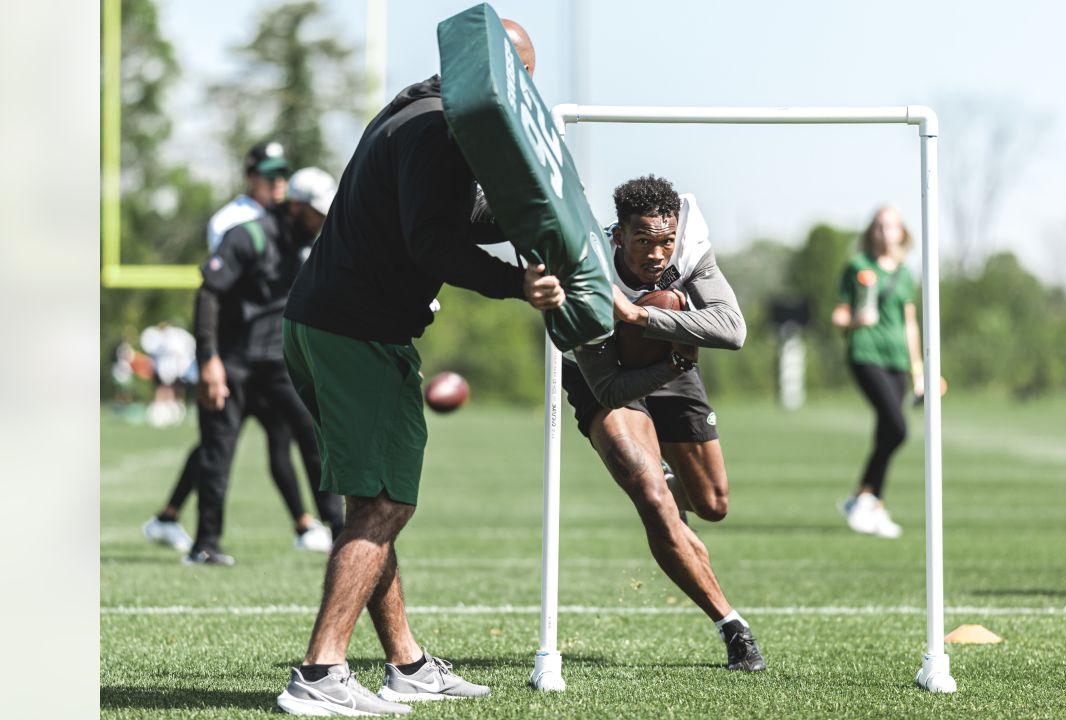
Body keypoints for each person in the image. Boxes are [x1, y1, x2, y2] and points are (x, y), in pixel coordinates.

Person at [274, 19, 561, 716]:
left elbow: (453, 212)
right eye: (519, 75)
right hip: (356, 332)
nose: (523, 91)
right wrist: (514, 284)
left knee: (369, 503)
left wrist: (532, 216)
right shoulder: (436, 129)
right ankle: (320, 673)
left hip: (322, 323)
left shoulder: (420, 110)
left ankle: (405, 664)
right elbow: (432, 240)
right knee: (387, 503)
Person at [561, 175, 765, 673]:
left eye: (664, 241)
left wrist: (639, 319)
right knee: (650, 494)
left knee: (712, 505)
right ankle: (732, 626)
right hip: (603, 373)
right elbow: (609, 389)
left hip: (669, 361)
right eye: (643, 241)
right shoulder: (585, 271)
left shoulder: (690, 245)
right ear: (618, 237)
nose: (656, 254)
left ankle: (670, 484)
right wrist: (650, 340)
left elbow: (733, 330)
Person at [142, 153, 343, 557]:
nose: (323, 220)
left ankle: (341, 532)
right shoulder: (246, 235)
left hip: (276, 365)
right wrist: (209, 359)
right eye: (318, 212)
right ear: (299, 207)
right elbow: (209, 294)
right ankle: (206, 545)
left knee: (312, 437)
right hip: (231, 362)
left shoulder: (309, 243)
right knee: (218, 452)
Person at [832, 205, 924, 539]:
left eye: (892, 226)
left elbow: (910, 325)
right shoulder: (857, 267)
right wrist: (857, 320)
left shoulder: (905, 273)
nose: (886, 232)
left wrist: (918, 370)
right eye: (880, 226)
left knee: (887, 431)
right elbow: (839, 316)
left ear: (901, 232)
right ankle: (867, 499)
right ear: (873, 231)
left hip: (897, 360)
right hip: (865, 353)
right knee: (897, 428)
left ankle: (869, 500)